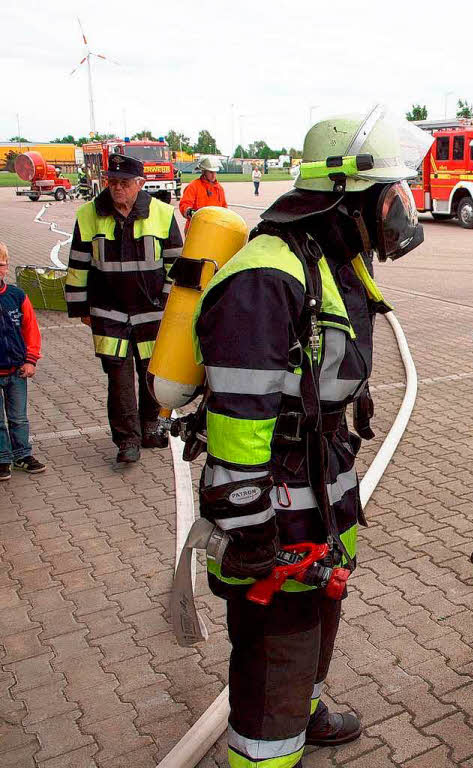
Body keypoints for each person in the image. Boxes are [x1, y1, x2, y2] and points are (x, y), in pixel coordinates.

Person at [193, 107, 431, 768]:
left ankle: (308, 707)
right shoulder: (267, 277)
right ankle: (268, 754)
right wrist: (251, 533)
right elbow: (239, 425)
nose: (396, 213)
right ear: (345, 198)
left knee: (313, 636)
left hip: (321, 505)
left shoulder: (332, 259)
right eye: (388, 197)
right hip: (274, 521)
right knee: (273, 663)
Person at [65, 153, 184, 463]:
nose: (116, 188)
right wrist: (81, 308)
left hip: (152, 313)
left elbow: (177, 264)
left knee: (150, 375)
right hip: (108, 314)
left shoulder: (162, 213)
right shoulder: (88, 215)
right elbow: (78, 265)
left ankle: (149, 427)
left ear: (139, 184)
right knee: (118, 380)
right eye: (112, 182)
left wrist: (172, 304)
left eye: (124, 183)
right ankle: (126, 441)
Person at [0, 242, 46, 480]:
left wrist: (31, 360)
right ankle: (2, 458)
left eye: (2, 264)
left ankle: (22, 454)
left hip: (17, 370)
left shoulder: (17, 295)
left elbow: (31, 330)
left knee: (18, 417)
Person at [180, 156, 227, 231]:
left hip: (213, 229)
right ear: (203, 171)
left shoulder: (219, 189)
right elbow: (184, 204)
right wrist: (189, 211)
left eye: (215, 172)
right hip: (196, 229)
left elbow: (224, 208)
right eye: (211, 172)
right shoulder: (193, 186)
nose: (214, 175)